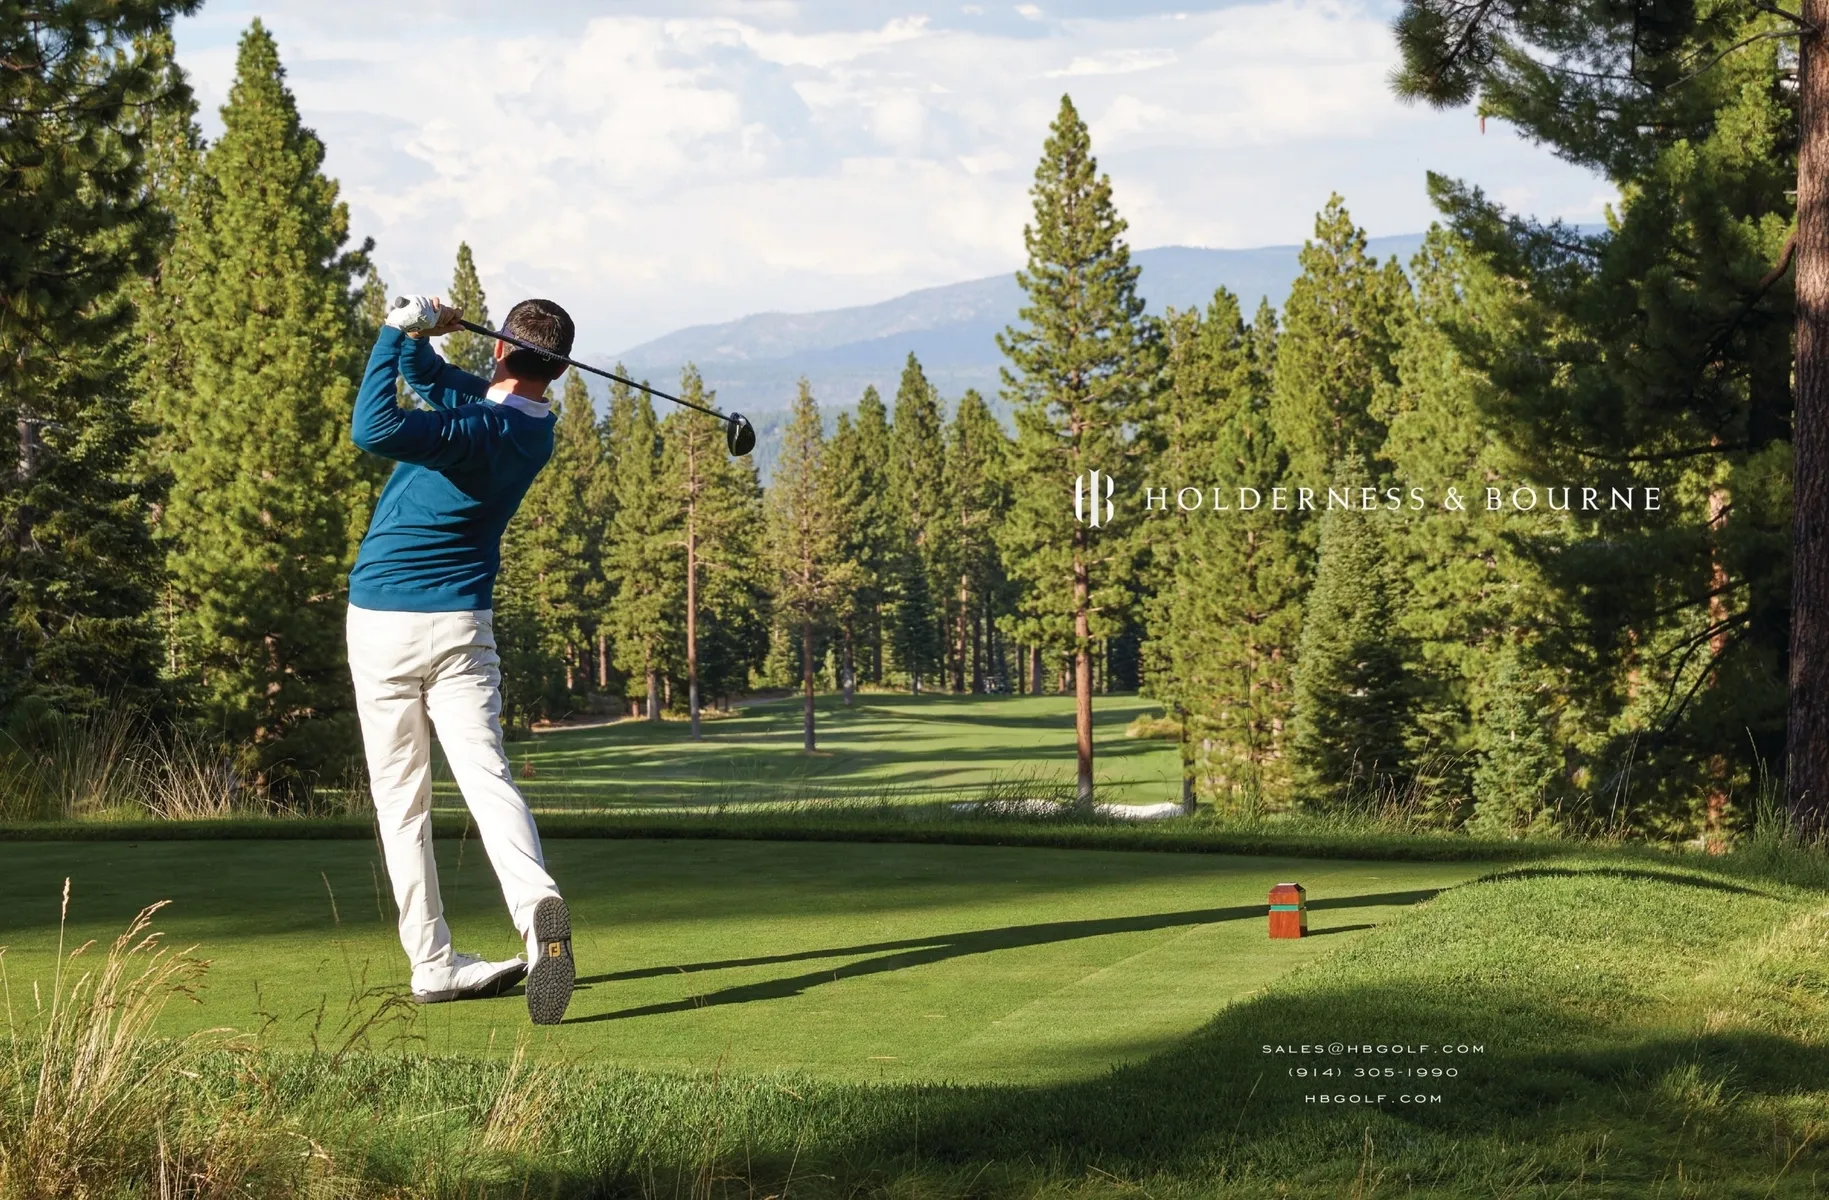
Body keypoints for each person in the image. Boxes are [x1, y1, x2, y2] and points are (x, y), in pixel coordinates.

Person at [345, 294, 576, 1024]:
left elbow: (372, 426)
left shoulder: (475, 424)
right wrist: (422, 338)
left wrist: (393, 328)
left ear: (501, 347)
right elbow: (435, 380)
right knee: (485, 775)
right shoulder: (528, 427)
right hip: (462, 627)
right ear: (558, 370)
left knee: (401, 801)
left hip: (383, 623)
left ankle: (432, 961)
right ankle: (538, 913)